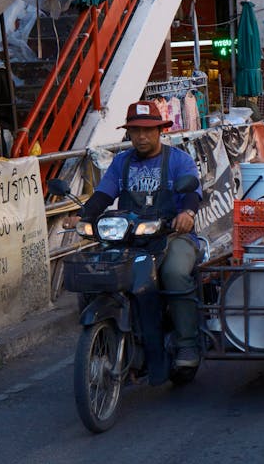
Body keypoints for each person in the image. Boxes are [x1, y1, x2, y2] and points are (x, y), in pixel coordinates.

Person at [79, 100, 203, 367]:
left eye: (148, 130)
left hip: (172, 236)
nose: (142, 136)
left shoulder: (179, 160)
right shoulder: (121, 162)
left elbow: (192, 193)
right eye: (135, 130)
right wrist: (82, 217)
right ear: (129, 133)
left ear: (160, 131)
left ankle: (186, 345)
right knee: (96, 273)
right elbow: (103, 194)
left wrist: (187, 215)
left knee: (174, 273)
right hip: (129, 239)